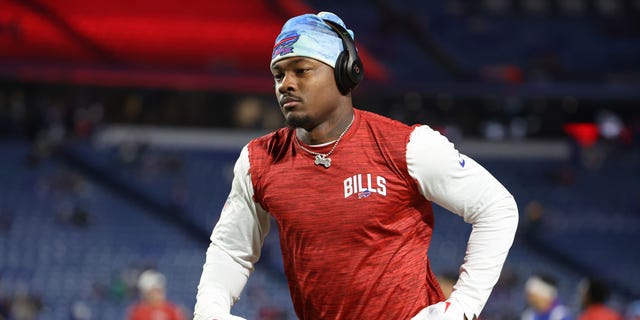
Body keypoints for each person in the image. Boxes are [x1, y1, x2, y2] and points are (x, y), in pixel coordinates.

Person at [194, 11, 519, 320]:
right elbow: (231, 248)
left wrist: (462, 308)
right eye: (278, 75)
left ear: (344, 71)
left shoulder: (407, 147)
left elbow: (497, 208)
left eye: (301, 70)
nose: (285, 84)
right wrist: (209, 309)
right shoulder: (259, 160)